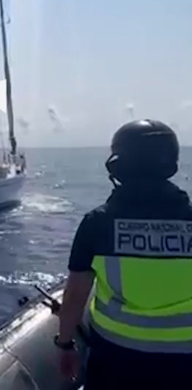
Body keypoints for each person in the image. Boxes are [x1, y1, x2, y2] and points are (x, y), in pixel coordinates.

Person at [56, 119, 192, 390]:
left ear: (118, 166)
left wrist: (65, 344)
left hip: (116, 359)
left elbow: (74, 297)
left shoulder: (97, 223)